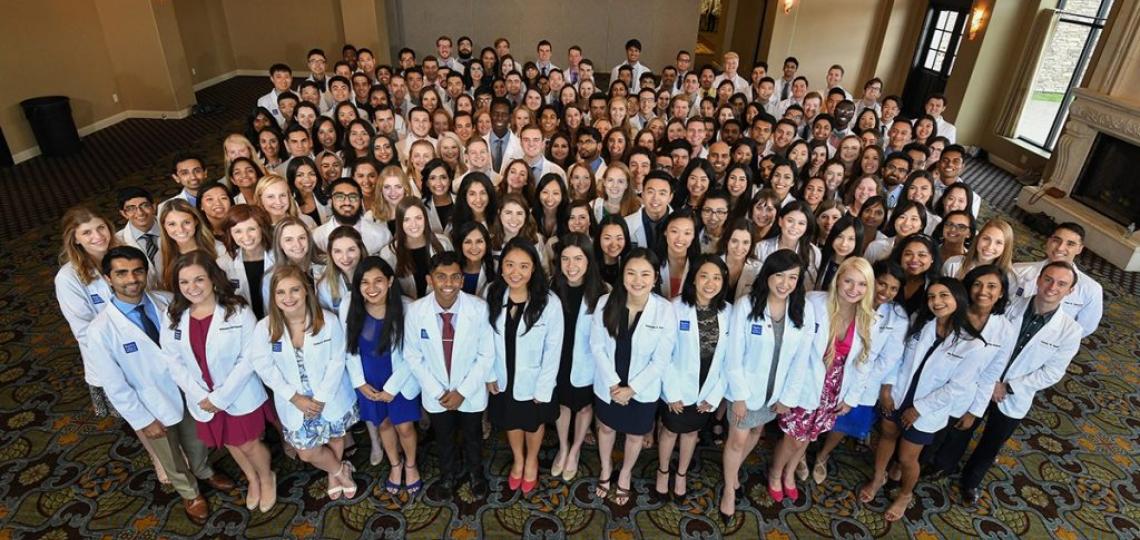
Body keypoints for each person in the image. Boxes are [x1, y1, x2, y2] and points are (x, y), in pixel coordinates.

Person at [85, 246, 234, 525]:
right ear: (107, 278)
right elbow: (115, 386)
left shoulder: (167, 301)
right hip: (151, 404)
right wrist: (143, 420)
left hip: (187, 389)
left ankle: (204, 471)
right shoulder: (100, 330)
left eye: (137, 271)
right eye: (121, 273)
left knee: (197, 439)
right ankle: (190, 493)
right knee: (170, 456)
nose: (132, 279)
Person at [860, 277, 988, 522]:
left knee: (908, 458)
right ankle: (878, 477)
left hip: (926, 410)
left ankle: (906, 494)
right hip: (898, 395)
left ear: (958, 299)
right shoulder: (921, 323)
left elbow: (957, 387)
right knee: (886, 436)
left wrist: (919, 409)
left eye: (943, 296)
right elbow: (898, 357)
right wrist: (887, 388)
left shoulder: (972, 345)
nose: (936, 302)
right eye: (931, 297)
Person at [956, 261, 1083, 505]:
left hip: (1014, 394)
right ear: (1038, 279)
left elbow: (1052, 372)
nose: (1052, 287)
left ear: (1070, 291)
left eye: (1061, 284)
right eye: (1048, 279)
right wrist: (991, 380)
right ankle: (945, 465)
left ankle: (970, 481)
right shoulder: (1011, 304)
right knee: (963, 427)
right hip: (984, 380)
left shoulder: (1070, 331)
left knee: (992, 442)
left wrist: (1008, 386)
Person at [161, 251, 277, 512]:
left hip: (238, 393)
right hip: (201, 396)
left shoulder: (237, 311)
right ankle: (252, 479)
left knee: (248, 443)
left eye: (199, 279)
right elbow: (171, 359)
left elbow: (249, 358)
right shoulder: (174, 314)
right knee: (229, 441)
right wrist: (198, 393)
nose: (192, 288)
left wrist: (220, 397)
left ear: (213, 279)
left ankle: (266, 477)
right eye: (184, 282)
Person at [720, 249, 818, 521]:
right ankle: (729, 488)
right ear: (767, 276)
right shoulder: (746, 305)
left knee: (755, 433)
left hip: (775, 391)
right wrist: (738, 395)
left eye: (792, 277)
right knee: (737, 439)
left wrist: (788, 396)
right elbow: (734, 354)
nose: (785, 283)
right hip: (746, 389)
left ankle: (733, 470)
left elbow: (801, 358)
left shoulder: (803, 309)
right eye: (779, 276)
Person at [249, 264, 360, 500]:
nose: (288, 298)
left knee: (335, 437)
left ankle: (333, 475)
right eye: (281, 292)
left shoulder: (327, 321)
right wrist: (294, 397)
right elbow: (263, 366)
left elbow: (337, 360)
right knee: (307, 452)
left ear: (306, 291)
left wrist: (321, 398)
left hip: (328, 396)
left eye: (294, 290)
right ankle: (339, 469)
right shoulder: (264, 328)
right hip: (295, 402)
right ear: (273, 296)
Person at [772, 257, 877, 496]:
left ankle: (789, 473)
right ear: (838, 279)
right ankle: (776, 473)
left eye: (861, 284)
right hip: (806, 382)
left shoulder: (869, 318)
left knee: (809, 435)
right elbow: (796, 352)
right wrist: (788, 392)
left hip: (835, 388)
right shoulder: (814, 303)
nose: (854, 289)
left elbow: (864, 363)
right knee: (794, 437)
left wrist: (852, 397)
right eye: (848, 281)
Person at [403, 251, 496, 499]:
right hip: (437, 393)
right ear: (429, 280)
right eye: (441, 277)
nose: (448, 283)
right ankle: (448, 475)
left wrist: (462, 392)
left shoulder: (478, 309)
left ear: (462, 280)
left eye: (455, 277)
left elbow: (486, 356)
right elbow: (413, 356)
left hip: (470, 391)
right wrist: (439, 392)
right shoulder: (415, 311)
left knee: (473, 436)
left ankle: (476, 473)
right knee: (443, 438)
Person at [590, 247, 677, 506]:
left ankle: (625, 474)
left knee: (635, 435)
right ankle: (606, 469)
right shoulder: (606, 302)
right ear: (622, 274)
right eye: (631, 273)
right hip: (609, 383)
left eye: (645, 274)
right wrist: (615, 384)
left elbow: (661, 359)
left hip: (643, 389)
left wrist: (632, 389)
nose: (637, 280)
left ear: (655, 278)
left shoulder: (664, 310)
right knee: (605, 427)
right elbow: (596, 345)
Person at [811, 260, 909, 483]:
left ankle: (822, 455)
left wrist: (858, 380)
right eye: (882, 284)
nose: (886, 292)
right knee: (811, 414)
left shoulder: (898, 317)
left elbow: (889, 358)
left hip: (865, 378)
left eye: (894, 288)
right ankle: (799, 454)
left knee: (843, 423)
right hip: (829, 367)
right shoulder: (850, 299)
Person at [919, 265, 1014, 478]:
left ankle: (919, 474)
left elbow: (991, 373)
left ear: (1001, 293)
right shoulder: (952, 312)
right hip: (929, 388)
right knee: (917, 439)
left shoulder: (1005, 329)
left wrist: (974, 411)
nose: (983, 291)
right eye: (977, 285)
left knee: (937, 442)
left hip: (962, 397)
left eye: (992, 286)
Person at [485, 239, 564, 494]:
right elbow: (483, 338)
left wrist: (544, 389)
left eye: (523, 266)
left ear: (533, 269)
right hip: (502, 374)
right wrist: (488, 373)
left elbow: (554, 350)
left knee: (533, 422)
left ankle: (531, 461)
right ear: (501, 267)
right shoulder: (492, 292)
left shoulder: (549, 302)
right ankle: (518, 459)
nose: (515, 272)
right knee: (511, 420)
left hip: (534, 379)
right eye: (509, 265)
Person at [344, 257, 424, 496]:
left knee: (405, 427)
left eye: (378, 280)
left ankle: (410, 464)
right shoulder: (351, 306)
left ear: (390, 281)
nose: (372, 288)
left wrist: (393, 388)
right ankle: (395, 464)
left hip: (400, 381)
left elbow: (415, 353)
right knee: (384, 426)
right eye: (365, 282)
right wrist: (359, 382)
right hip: (369, 382)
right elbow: (348, 349)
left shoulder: (408, 307)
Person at [657, 254, 729, 504]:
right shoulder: (674, 307)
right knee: (669, 432)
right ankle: (663, 471)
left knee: (691, 434)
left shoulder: (728, 311)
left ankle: (681, 474)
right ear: (694, 279)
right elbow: (663, 354)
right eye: (704, 276)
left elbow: (729, 360)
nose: (710, 283)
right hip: (676, 386)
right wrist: (672, 392)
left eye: (717, 278)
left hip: (706, 388)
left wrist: (714, 395)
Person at [548, 233, 608, 482]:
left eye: (578, 258)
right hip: (559, 359)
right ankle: (563, 447)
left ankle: (575, 450)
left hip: (587, 360)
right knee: (562, 405)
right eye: (565, 259)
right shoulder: (552, 288)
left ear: (588, 260)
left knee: (584, 408)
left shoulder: (602, 291)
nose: (571, 266)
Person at [1011, 222, 1103, 338]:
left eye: (1070, 244)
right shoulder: (1018, 270)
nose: (1060, 248)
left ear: (1079, 249)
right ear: (1049, 241)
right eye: (1056, 240)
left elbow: (1084, 328)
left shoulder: (1091, 289)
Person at [378, 197, 453, 299]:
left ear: (425, 219)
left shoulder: (443, 243)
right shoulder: (388, 253)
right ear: (400, 223)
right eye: (407, 219)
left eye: (418, 218)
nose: (413, 224)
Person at [222, 205, 275, 319]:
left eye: (251, 229)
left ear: (262, 228)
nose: (246, 236)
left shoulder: (280, 257)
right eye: (238, 231)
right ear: (230, 234)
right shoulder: (223, 264)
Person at [317, 227, 365, 312]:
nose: (345, 257)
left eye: (351, 250)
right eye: (338, 251)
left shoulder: (376, 277)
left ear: (360, 250)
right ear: (330, 254)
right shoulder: (324, 286)